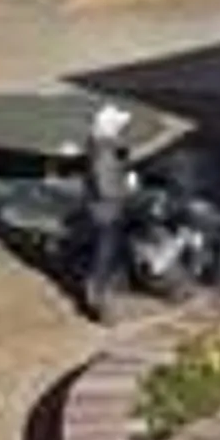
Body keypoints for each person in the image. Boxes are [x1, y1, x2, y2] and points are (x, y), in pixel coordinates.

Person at [77, 102, 138, 321]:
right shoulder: (104, 153)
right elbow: (106, 187)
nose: (123, 129)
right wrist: (127, 188)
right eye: (119, 126)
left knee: (108, 251)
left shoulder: (104, 147)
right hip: (105, 211)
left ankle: (106, 289)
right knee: (104, 254)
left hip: (104, 209)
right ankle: (98, 300)